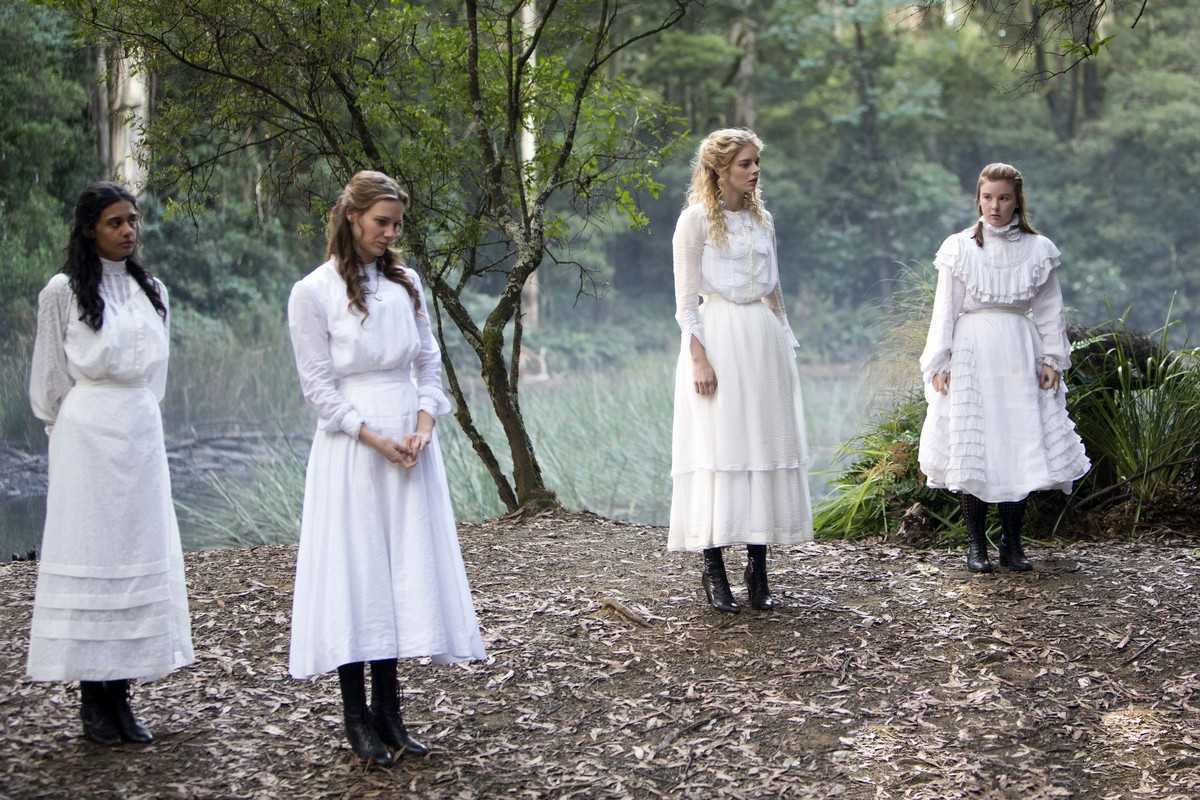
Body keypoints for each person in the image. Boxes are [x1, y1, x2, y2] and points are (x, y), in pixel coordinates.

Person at [287, 170, 485, 766]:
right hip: (354, 446)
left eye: (397, 224)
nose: (390, 233)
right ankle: (356, 715)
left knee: (400, 569)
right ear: (352, 217)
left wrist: (424, 424)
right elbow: (318, 385)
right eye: (381, 223)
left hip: (408, 440)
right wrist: (370, 435)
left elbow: (428, 360)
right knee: (358, 571)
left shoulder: (408, 284)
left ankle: (391, 710)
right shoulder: (313, 292)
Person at [27, 181, 194, 745]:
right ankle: (93, 702)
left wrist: (140, 417)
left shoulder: (154, 290)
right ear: (89, 229)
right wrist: (64, 432)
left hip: (138, 431)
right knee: (92, 552)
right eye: (115, 222)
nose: (128, 231)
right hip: (87, 434)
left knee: (133, 553)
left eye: (133, 220)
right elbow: (51, 379)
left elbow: (158, 379)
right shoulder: (63, 291)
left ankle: (122, 696)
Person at [918, 162, 1091, 572]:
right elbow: (945, 309)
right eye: (988, 197)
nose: (995, 206)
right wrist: (941, 359)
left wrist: (1052, 357)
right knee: (975, 441)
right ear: (978, 199)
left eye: (1004, 198)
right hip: (973, 349)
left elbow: (1050, 309)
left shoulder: (1037, 248)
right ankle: (975, 546)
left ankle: (1012, 544)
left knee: (1017, 439)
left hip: (1018, 348)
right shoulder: (960, 247)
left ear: (1017, 201)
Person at [668, 128, 814, 613]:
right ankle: (713, 569)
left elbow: (774, 288)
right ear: (720, 169)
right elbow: (686, 301)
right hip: (719, 337)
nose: (754, 171)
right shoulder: (694, 222)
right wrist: (699, 357)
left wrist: (784, 337)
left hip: (761, 339)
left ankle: (758, 568)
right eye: (746, 164)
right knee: (720, 445)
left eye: (757, 163)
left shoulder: (762, 220)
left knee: (761, 445)